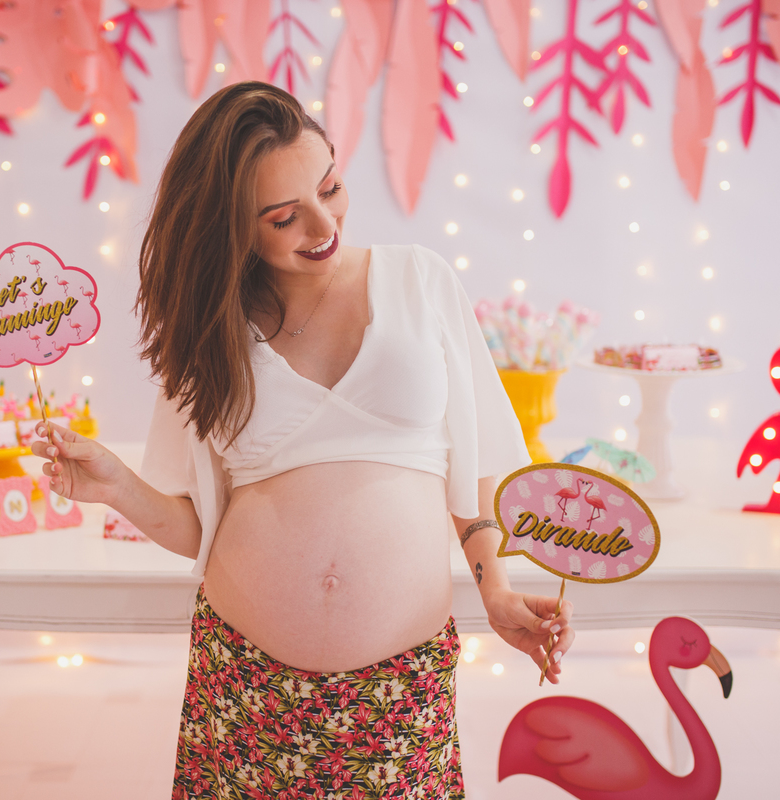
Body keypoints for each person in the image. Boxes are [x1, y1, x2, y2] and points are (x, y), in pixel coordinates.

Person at [32, 81, 575, 799]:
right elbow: (199, 527)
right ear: (233, 228)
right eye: (284, 217)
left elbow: (473, 465)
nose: (322, 225)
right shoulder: (210, 331)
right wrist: (114, 486)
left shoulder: (420, 280)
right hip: (247, 680)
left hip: (398, 682)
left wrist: (497, 591)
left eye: (331, 188)